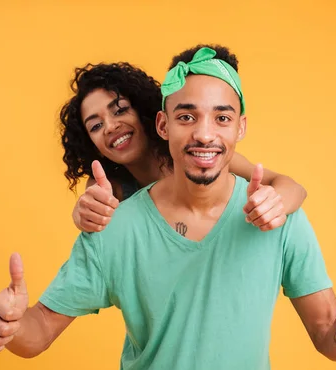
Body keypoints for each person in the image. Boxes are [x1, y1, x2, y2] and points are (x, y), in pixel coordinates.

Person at [0, 45, 336, 370]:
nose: (205, 133)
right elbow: (37, 332)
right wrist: (12, 325)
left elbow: (330, 331)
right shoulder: (112, 221)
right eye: (187, 116)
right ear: (164, 124)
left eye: (222, 117)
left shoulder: (277, 215)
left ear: (240, 128)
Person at [59, 50, 306, 234]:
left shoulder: (197, 155)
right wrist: (83, 215)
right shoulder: (110, 186)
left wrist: (275, 204)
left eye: (120, 110)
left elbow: (294, 188)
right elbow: (91, 213)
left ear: (151, 117)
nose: (111, 127)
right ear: (89, 142)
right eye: (96, 126)